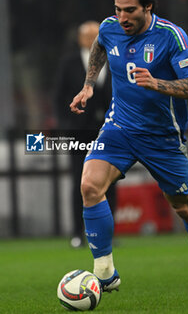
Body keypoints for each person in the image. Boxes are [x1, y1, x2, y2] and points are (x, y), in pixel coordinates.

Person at [70, 0, 188, 304]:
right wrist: (88, 84)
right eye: (118, 9)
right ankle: (104, 273)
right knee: (89, 186)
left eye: (130, 11)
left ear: (148, 7)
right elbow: (100, 44)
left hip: (163, 137)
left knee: (185, 208)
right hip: (120, 127)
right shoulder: (111, 26)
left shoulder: (171, 36)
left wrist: (157, 83)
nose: (122, 18)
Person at [55, 21, 116, 247]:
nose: (93, 39)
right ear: (80, 39)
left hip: (107, 131)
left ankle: (108, 232)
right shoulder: (68, 63)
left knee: (110, 181)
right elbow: (59, 96)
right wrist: (66, 123)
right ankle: (78, 233)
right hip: (78, 132)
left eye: (96, 35)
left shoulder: (113, 59)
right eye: (88, 36)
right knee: (78, 181)